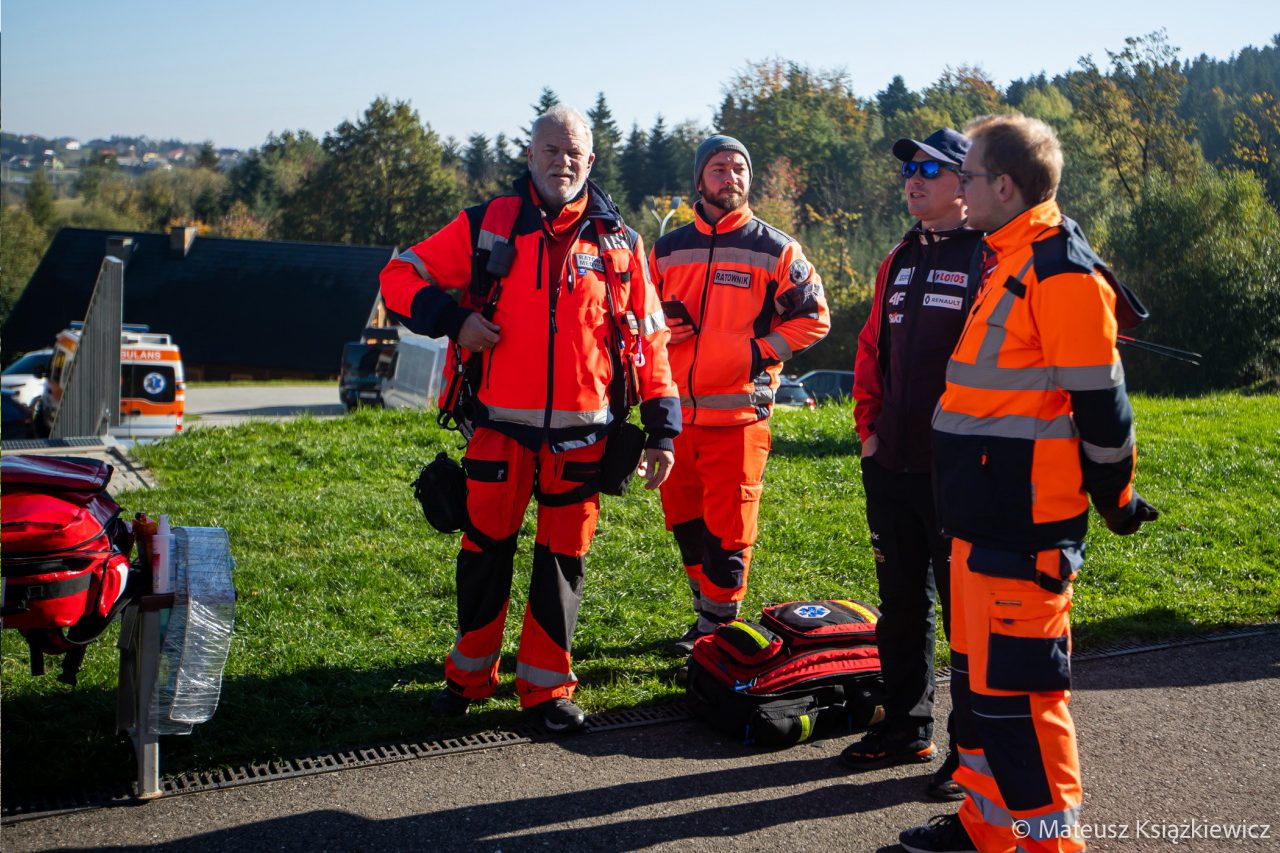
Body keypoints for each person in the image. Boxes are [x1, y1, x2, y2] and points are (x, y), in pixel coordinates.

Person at [898, 115, 1159, 853]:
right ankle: (987, 828)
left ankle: (1050, 846)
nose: (961, 188)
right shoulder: (1006, 256)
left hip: (1025, 526)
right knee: (981, 693)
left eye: (970, 176)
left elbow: (1105, 413)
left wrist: (1115, 499)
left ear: (1004, 186)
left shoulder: (1059, 271)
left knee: (1023, 701)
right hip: (981, 521)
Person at [379, 105, 681, 734]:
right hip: (496, 428)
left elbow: (650, 340)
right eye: (550, 150)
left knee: (562, 561)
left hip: (585, 434)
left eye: (573, 152)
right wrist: (453, 318)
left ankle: (545, 688)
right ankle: (468, 677)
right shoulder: (487, 226)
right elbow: (399, 277)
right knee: (483, 553)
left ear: (590, 161)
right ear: (530, 155)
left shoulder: (620, 243)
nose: (561, 162)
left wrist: (662, 428)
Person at [649, 135, 830, 654]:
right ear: (700, 179)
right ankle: (705, 612)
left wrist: (755, 354)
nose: (731, 176)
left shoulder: (776, 248)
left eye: (739, 168)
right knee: (684, 519)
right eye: (719, 168)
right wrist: (661, 325)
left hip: (739, 417)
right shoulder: (665, 249)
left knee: (730, 526)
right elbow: (636, 316)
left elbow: (814, 319)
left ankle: (718, 629)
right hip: (675, 417)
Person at [845, 129, 981, 801]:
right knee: (899, 605)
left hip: (960, 472)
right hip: (891, 464)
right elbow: (872, 351)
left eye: (931, 168)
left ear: (967, 182)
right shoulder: (898, 257)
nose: (914, 179)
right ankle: (905, 726)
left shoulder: (993, 256)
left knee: (969, 615)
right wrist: (868, 433)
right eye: (908, 169)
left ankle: (972, 751)